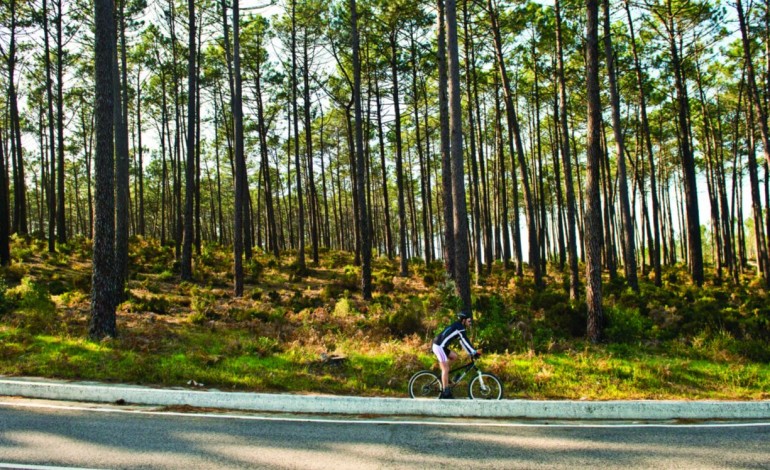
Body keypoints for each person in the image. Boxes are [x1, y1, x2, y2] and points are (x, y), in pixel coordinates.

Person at [432, 310, 481, 399]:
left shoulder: (458, 326)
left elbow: (462, 342)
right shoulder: (459, 327)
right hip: (439, 346)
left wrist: (471, 352)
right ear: (463, 320)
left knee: (454, 357)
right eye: (469, 321)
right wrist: (473, 352)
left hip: (440, 346)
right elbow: (465, 340)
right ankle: (445, 392)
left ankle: (444, 374)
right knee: (445, 368)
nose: (470, 323)